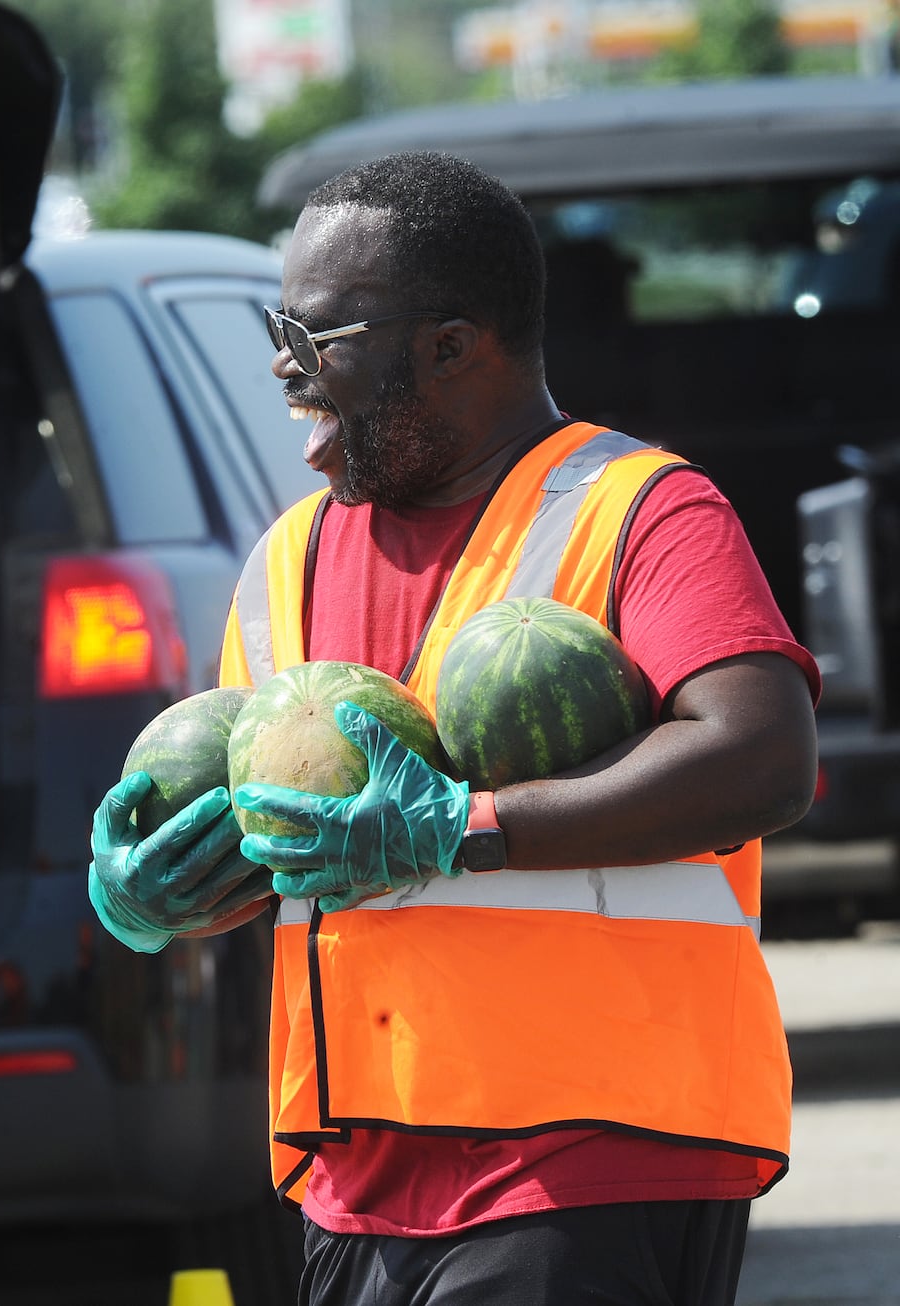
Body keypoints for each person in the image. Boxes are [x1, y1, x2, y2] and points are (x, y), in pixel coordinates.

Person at [87, 152, 821, 1306]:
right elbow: (293, 848)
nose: (283, 360)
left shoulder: (641, 510)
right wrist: (160, 892)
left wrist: (459, 828)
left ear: (448, 343)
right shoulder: (283, 564)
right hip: (356, 1170)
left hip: (588, 1149)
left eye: (318, 333)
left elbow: (761, 758)